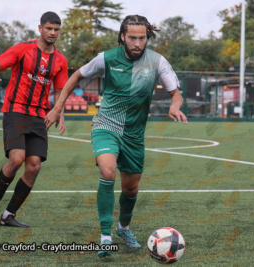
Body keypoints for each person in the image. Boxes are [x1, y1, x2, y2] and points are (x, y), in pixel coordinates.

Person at [45, 14, 187, 257]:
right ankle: (105, 236)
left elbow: (176, 93)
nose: (137, 43)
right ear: (122, 36)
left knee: (131, 189)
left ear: (147, 37)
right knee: (107, 171)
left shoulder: (157, 61)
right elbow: (76, 75)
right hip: (106, 125)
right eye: (132, 37)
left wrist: (175, 105)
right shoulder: (107, 58)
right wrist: (58, 107)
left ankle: (123, 227)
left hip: (133, 134)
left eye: (142, 38)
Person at [0, 11, 68, 228]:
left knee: (34, 166)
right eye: (49, 28)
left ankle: (8, 215)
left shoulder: (61, 60)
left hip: (40, 116)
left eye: (56, 29)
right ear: (40, 29)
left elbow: (60, 91)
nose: (53, 33)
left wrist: (59, 113)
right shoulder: (23, 48)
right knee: (17, 159)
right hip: (16, 110)